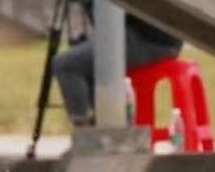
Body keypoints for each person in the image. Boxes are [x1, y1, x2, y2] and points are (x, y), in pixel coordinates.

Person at [52, 7, 182, 127]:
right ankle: (108, 128)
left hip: (148, 39)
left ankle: (86, 135)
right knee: (86, 63)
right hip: (159, 37)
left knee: (66, 64)